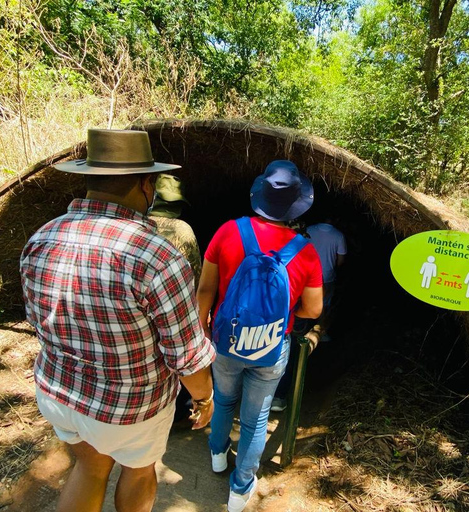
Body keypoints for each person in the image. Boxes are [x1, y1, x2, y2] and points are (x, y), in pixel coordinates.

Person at [20, 129, 216, 512]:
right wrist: (204, 398)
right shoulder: (156, 257)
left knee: (91, 467)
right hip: (128, 408)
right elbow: (186, 355)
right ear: (147, 185)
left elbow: (38, 322)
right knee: (139, 471)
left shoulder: (41, 237)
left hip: (58, 392)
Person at [197, 160, 323, 512]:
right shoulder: (306, 250)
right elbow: (313, 310)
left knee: (222, 400)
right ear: (297, 205)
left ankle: (218, 457)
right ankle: (240, 490)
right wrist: (283, 318)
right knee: (256, 418)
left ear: (260, 196)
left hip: (226, 340)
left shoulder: (227, 232)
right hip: (270, 346)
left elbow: (206, 287)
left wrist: (203, 327)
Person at [271, 218, 346, 411]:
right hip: (294, 314)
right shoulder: (309, 259)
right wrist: (298, 315)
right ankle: (279, 396)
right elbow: (313, 308)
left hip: (263, 320)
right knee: (292, 347)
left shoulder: (268, 251)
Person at [149, 173, 203, 420]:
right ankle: (179, 410)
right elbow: (196, 273)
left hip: (140, 309)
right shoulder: (183, 229)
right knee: (178, 358)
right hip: (176, 309)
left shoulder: (135, 224)